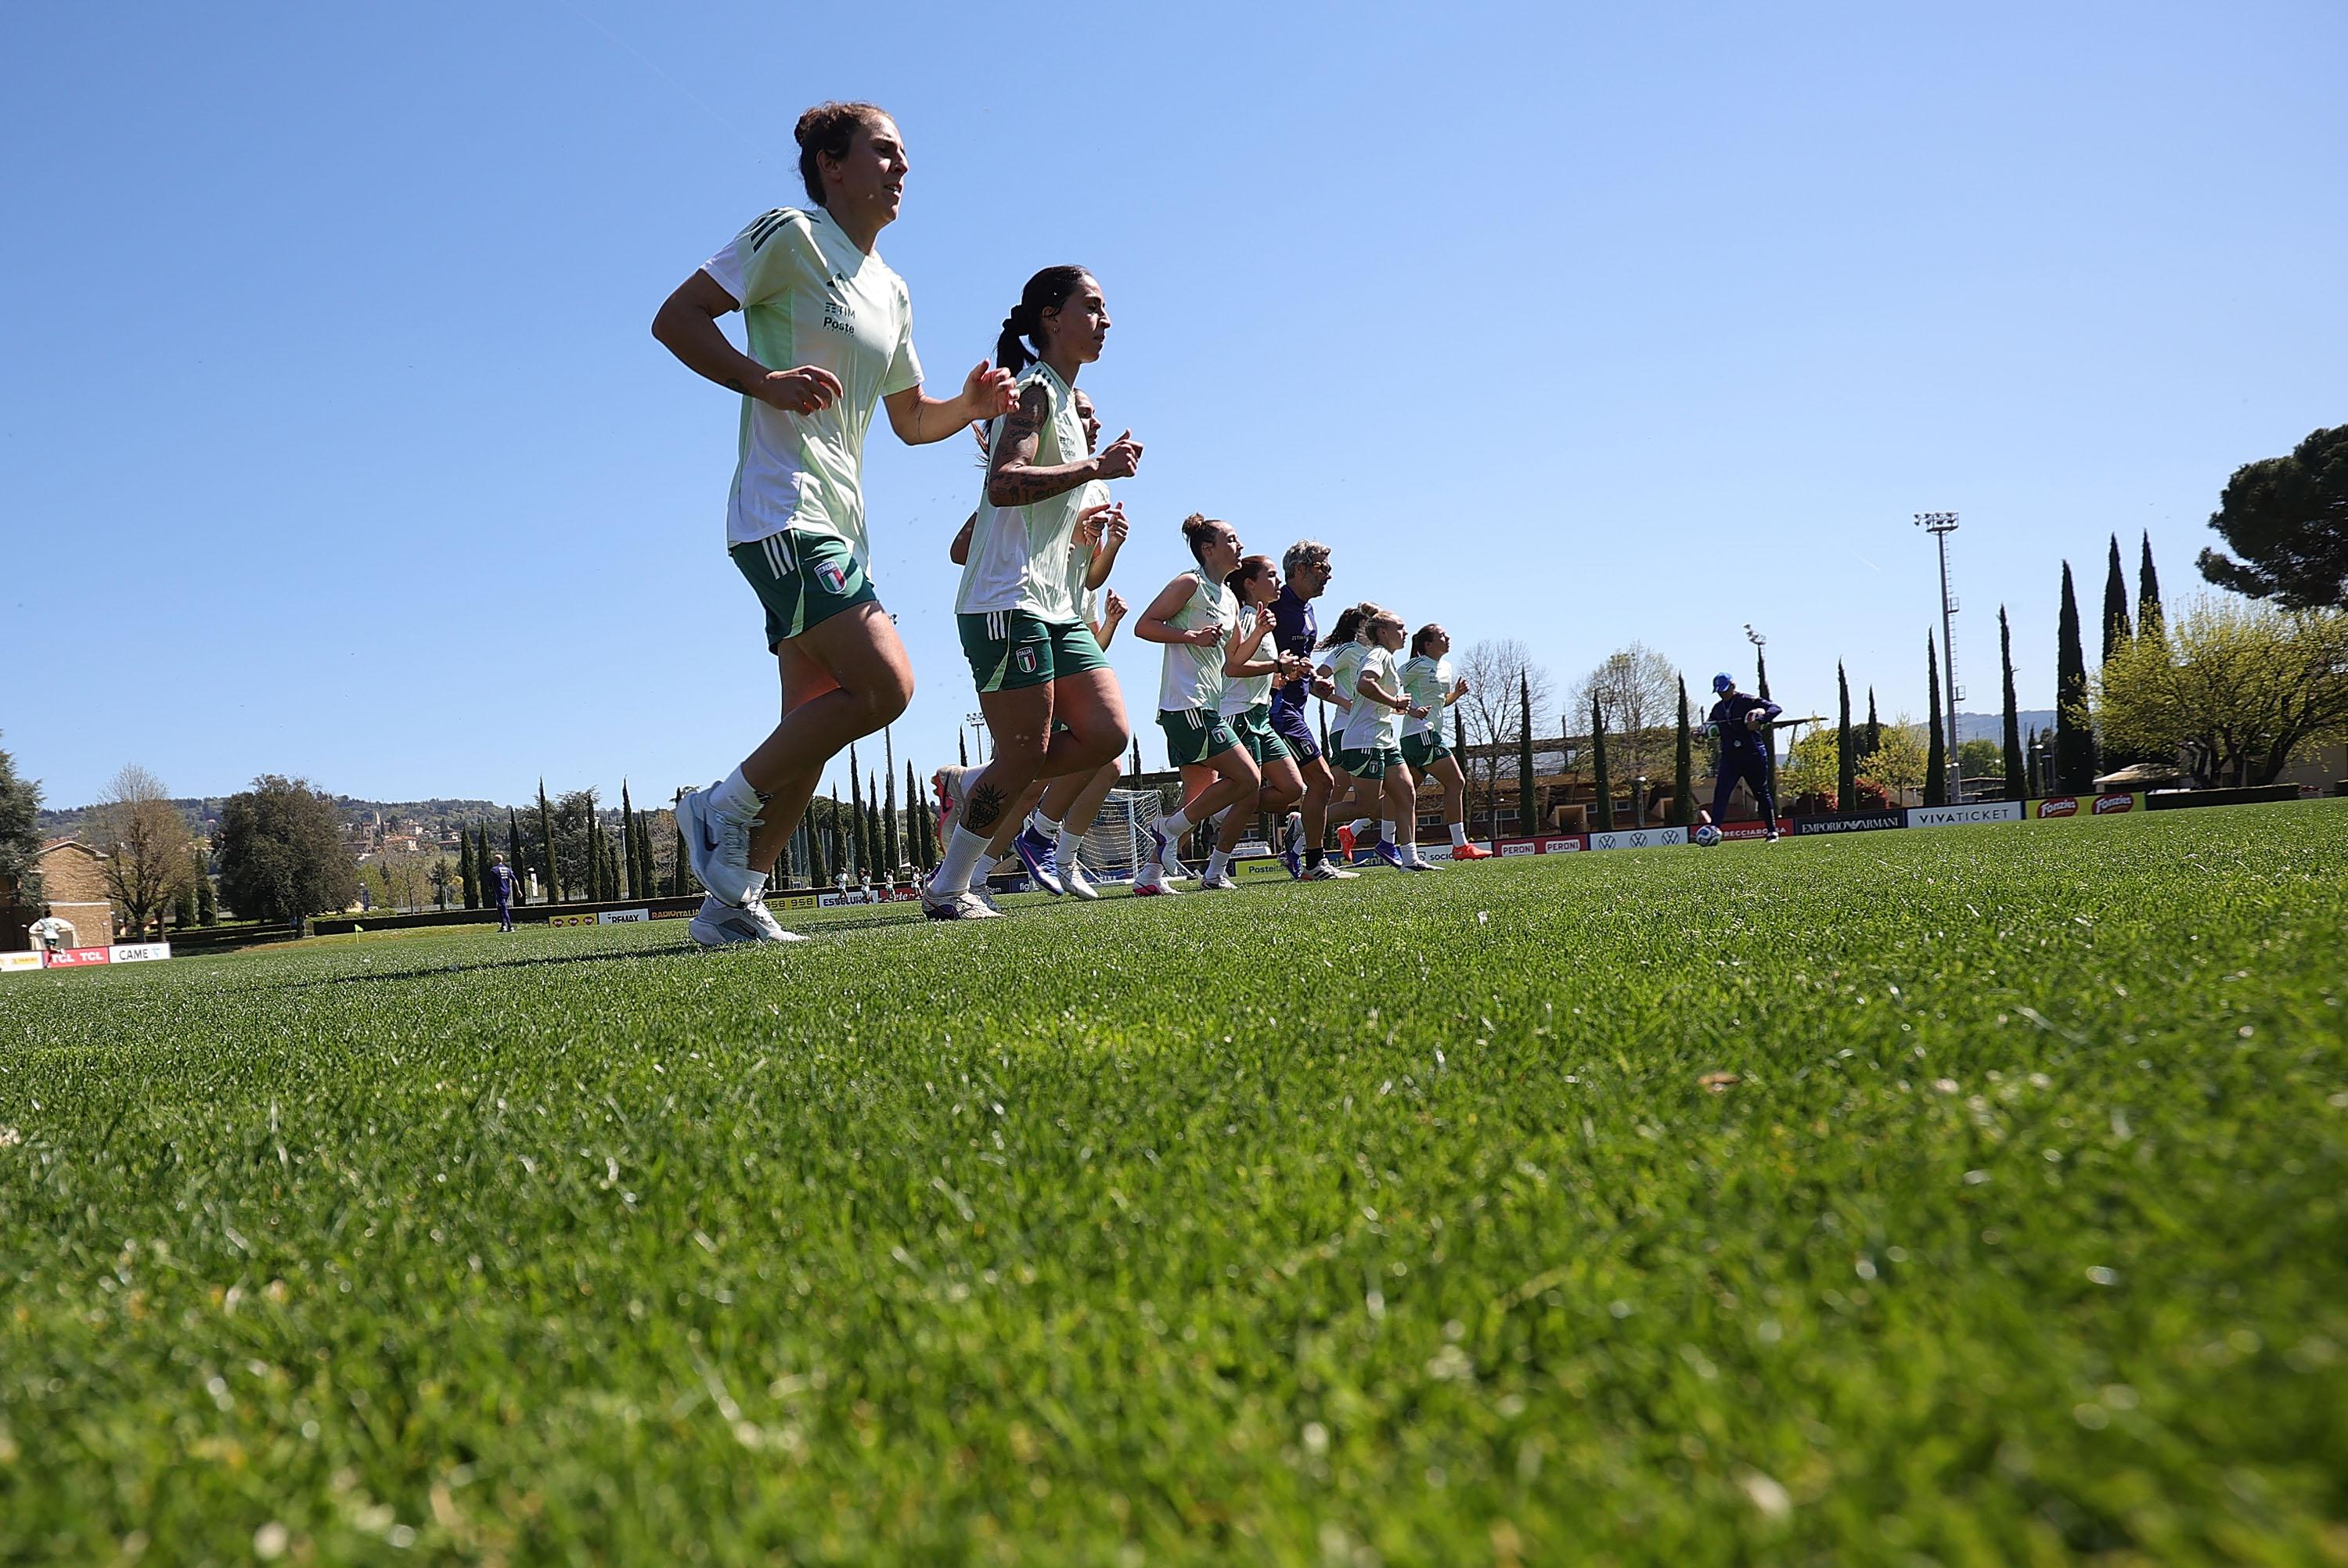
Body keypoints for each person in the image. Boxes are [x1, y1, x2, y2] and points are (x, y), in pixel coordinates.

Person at [651, 101, 1017, 947]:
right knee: (887, 684)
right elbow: (676, 319)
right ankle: (718, 805)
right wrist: (764, 379)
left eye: (905, 156)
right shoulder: (790, 234)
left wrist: (969, 405)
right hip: (781, 510)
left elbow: (910, 419)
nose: (902, 168)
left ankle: (730, 904)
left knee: (817, 716)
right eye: (884, 152)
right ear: (832, 166)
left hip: (842, 526)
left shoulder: (892, 291)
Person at [924, 268, 1141, 919]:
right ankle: (949, 887)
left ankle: (977, 783)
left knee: (1106, 734)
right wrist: (1094, 469)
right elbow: (1004, 482)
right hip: (1004, 601)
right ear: (1052, 317)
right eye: (1093, 308)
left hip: (1054, 605)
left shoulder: (1071, 406)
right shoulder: (1034, 394)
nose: (1106, 321)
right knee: (1023, 754)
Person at [1130, 516, 1258, 893]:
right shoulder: (1190, 583)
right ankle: (1165, 830)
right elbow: (1144, 625)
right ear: (1208, 549)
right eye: (1232, 539)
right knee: (1248, 779)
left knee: (1197, 796)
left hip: (1207, 705)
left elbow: (1233, 662)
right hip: (1186, 704)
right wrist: (1190, 635)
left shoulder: (1231, 598)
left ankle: (1149, 876)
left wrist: (1271, 649)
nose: (1240, 545)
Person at [1208, 554, 1309, 876]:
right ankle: (1215, 872)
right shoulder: (1246, 618)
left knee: (1293, 789)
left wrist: (1284, 674)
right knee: (1249, 797)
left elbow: (1260, 673)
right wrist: (1277, 665)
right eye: (1271, 575)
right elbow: (1232, 668)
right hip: (1238, 716)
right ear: (1250, 584)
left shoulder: (1263, 619)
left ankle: (1221, 808)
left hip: (1260, 716)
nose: (1278, 581)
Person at [1266, 542, 1357, 879]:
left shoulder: (1308, 611)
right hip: (1277, 710)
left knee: (1306, 786)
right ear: (1300, 569)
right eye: (1321, 567)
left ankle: (1218, 811)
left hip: (1295, 708)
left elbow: (1298, 665)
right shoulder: (1274, 605)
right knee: (1322, 781)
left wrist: (1315, 681)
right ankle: (1315, 863)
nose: (1328, 574)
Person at [1334, 606, 1438, 871]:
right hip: (1364, 740)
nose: (1405, 632)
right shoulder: (1377, 655)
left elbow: (1376, 701)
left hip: (1384, 740)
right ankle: (1303, 822)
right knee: (1365, 807)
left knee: (1406, 793)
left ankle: (1410, 859)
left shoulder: (1387, 657)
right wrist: (1395, 701)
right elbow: (1365, 685)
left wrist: (1404, 708)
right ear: (1383, 632)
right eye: (1400, 628)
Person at [1399, 624, 1491, 859]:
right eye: (1442, 635)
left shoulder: (1446, 668)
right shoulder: (1415, 665)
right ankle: (1460, 845)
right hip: (1421, 734)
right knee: (1456, 782)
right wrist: (1408, 708)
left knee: (1400, 795)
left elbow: (1441, 702)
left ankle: (1352, 828)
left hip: (1423, 736)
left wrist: (1456, 695)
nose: (1448, 637)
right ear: (1428, 644)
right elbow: (1387, 688)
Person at [1704, 672, 1783, 840]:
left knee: (1761, 792)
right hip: (1730, 757)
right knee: (1722, 793)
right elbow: (1709, 726)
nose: (1722, 694)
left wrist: (1760, 720)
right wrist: (1699, 732)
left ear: (1733, 685)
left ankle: (1772, 831)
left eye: (1724, 690)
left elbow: (1776, 708)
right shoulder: (1717, 709)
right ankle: (1715, 828)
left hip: (1753, 753)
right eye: (1719, 691)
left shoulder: (1748, 700)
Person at [486, 851, 520, 932]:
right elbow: (515, 880)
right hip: (507, 891)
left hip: (499, 891)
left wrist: (490, 889)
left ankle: (510, 926)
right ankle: (503, 926)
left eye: (493, 860)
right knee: (500, 908)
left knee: (503, 908)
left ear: (496, 861)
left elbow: (490, 882)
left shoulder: (494, 870)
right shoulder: (507, 869)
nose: (493, 862)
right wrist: (518, 890)